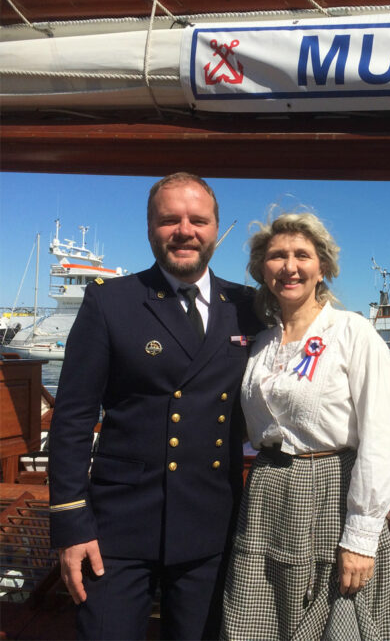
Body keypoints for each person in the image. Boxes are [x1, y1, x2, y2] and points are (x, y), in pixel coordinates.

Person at [48, 172, 261, 640]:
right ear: (150, 228)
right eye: (170, 220)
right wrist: (70, 522)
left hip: (211, 526)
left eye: (198, 220)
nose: (184, 230)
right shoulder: (112, 303)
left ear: (214, 229)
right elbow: (73, 419)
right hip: (116, 529)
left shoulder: (246, 306)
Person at [222, 212, 390, 640]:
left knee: (332, 621)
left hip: (331, 492)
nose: (289, 267)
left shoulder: (353, 333)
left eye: (301, 255)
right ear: (261, 270)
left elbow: (382, 437)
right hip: (267, 492)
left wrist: (360, 538)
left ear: (321, 267)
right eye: (277, 256)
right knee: (255, 620)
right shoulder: (262, 343)